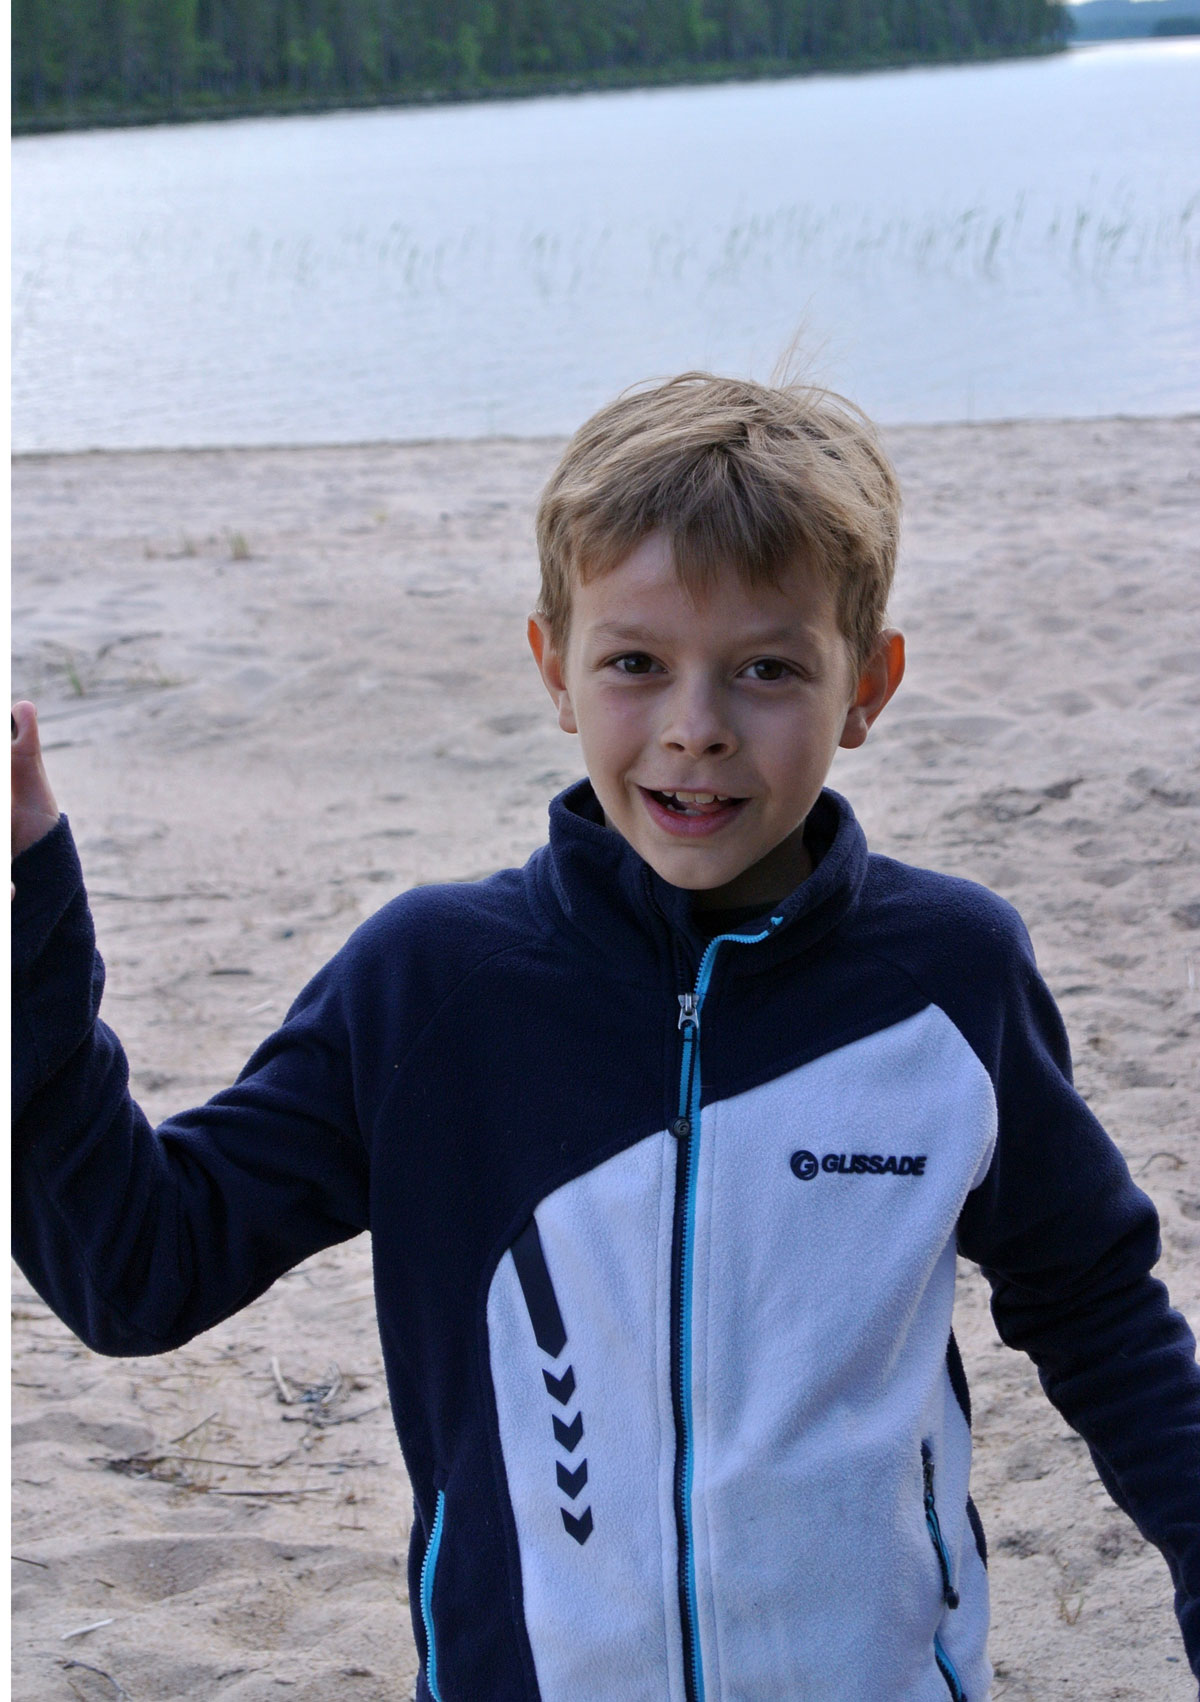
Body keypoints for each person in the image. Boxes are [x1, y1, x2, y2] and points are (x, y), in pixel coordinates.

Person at [11, 373, 1200, 1702]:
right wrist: (24, 917)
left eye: (767, 668)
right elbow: (137, 1266)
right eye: (637, 663)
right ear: (554, 668)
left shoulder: (949, 982)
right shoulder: (430, 989)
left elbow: (1099, 1312)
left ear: (868, 685)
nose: (697, 726)